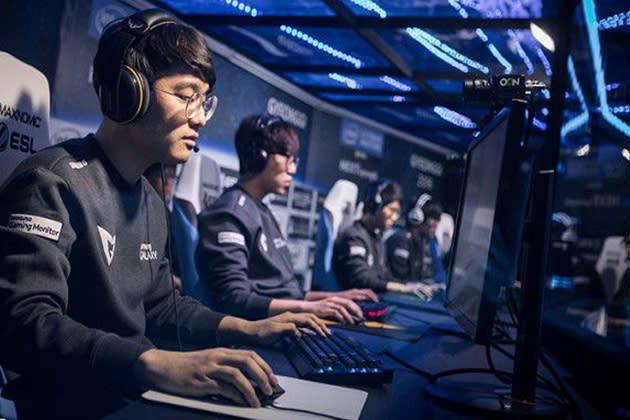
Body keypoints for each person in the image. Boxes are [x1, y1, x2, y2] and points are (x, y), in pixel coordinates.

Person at [0, 10, 328, 418]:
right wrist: (151, 363)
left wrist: (247, 328)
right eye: (187, 96)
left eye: (203, 101)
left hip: (131, 391)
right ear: (130, 91)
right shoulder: (51, 181)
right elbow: (23, 322)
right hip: (78, 404)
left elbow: (161, 307)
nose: (200, 117)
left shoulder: (151, 201)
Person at [195, 114, 377, 324]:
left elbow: (287, 293)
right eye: (289, 158)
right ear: (259, 155)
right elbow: (234, 299)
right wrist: (307, 308)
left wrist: (336, 297)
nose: (293, 168)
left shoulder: (261, 210)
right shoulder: (230, 214)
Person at [334, 180, 435, 296]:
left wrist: (409, 286)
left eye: (397, 213)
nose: (395, 217)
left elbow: (384, 276)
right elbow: (360, 278)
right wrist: (401, 288)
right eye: (392, 210)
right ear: (374, 205)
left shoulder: (376, 238)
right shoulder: (353, 236)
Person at [385, 196, 447, 287]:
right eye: (433, 218)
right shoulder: (401, 240)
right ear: (418, 217)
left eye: (438, 219)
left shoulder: (422, 242)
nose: (436, 224)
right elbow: (400, 279)